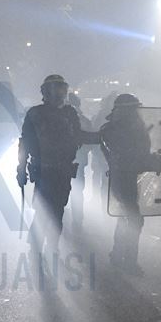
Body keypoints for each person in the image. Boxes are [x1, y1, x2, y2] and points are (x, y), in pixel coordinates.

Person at [17, 75, 101, 257]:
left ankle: (51, 245)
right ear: (46, 92)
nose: (59, 93)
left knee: (57, 211)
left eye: (61, 89)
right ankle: (37, 246)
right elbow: (25, 141)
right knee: (42, 210)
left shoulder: (69, 113)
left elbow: (79, 136)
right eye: (55, 89)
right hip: (43, 170)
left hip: (62, 171)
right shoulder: (35, 113)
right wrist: (21, 169)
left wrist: (102, 137)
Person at [100, 93, 161, 276]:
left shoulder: (132, 127)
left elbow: (138, 153)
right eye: (132, 109)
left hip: (129, 176)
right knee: (134, 219)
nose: (136, 112)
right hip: (121, 177)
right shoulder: (113, 130)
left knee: (125, 218)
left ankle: (118, 254)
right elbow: (123, 155)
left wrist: (151, 161)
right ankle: (129, 262)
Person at [67, 92, 91, 233]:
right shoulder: (84, 120)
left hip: (62, 163)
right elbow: (90, 141)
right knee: (77, 192)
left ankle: (64, 220)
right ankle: (77, 221)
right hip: (78, 163)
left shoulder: (57, 117)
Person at [90, 91, 118, 209]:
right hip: (104, 155)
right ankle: (105, 207)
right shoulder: (103, 116)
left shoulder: (114, 115)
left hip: (113, 156)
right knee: (106, 181)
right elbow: (98, 136)